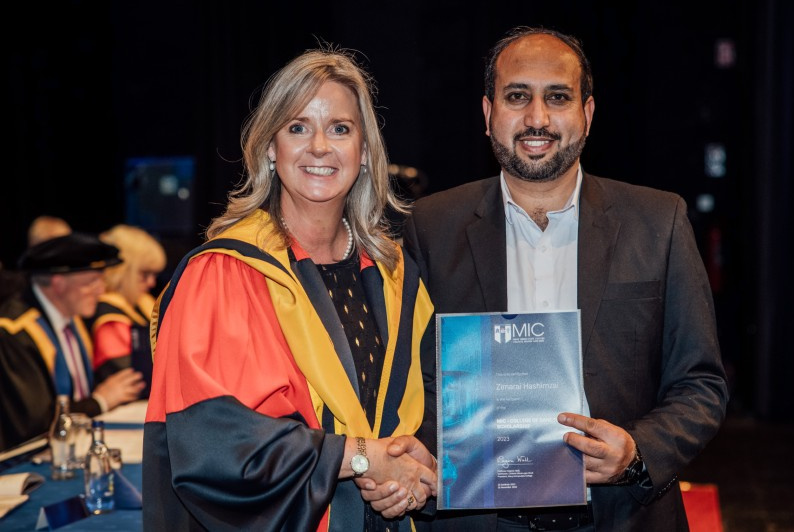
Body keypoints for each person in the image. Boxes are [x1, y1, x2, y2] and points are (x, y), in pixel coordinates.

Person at [399, 27, 729, 531]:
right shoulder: (430, 226)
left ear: (587, 114)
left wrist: (637, 452)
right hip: (477, 517)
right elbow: (412, 381)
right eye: (517, 97)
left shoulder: (657, 222)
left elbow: (701, 385)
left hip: (624, 516)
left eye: (558, 97)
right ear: (488, 116)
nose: (537, 118)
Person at [142, 47, 438, 531]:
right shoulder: (222, 275)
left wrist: (407, 469)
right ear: (268, 149)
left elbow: (431, 396)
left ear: (364, 153)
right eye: (297, 127)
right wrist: (363, 457)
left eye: (340, 128)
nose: (319, 146)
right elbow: (211, 444)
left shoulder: (396, 273)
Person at [0, 233, 147, 451]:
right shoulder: (14, 332)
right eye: (92, 281)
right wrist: (99, 401)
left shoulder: (74, 319)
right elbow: (32, 424)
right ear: (58, 284)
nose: (101, 290)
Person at [87, 224, 166, 391]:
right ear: (123, 271)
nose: (152, 283)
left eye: (154, 275)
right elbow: (132, 377)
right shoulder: (108, 314)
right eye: (144, 274)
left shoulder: (142, 303)